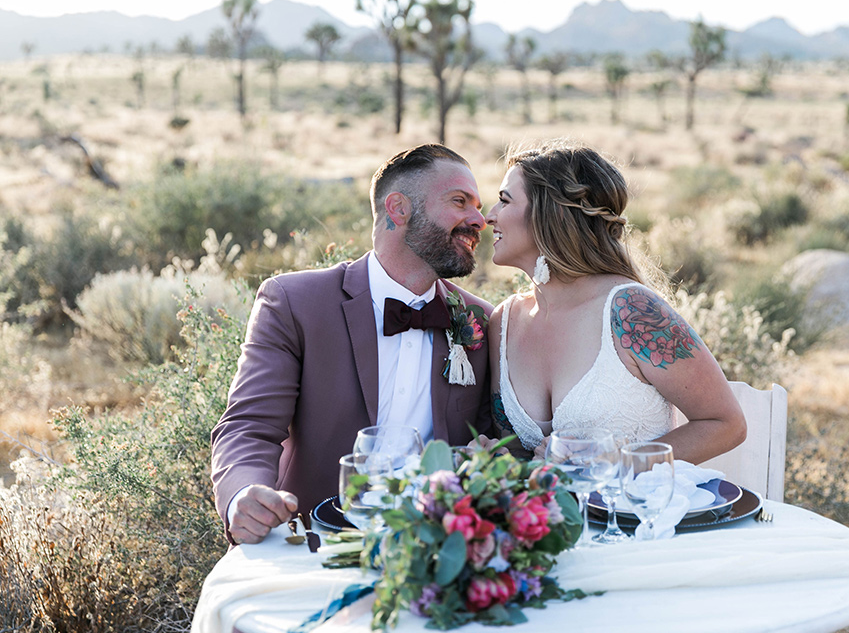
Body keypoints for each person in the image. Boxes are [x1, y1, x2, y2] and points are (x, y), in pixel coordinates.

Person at [212, 144, 495, 545]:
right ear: (398, 208)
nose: (478, 219)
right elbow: (249, 426)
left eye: (479, 206)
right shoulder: (294, 302)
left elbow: (490, 439)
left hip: (434, 552)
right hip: (309, 542)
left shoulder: (480, 321)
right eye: (459, 201)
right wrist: (243, 495)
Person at [485, 141, 746, 462]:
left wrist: (618, 462)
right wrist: (493, 460)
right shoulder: (504, 322)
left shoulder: (631, 311)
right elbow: (520, 453)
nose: (489, 216)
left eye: (504, 201)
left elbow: (726, 424)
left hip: (634, 510)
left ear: (547, 214)